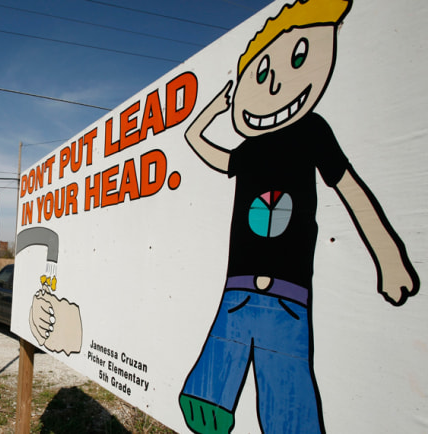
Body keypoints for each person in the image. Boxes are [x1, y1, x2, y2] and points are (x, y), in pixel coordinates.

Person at [178, 1, 419, 433]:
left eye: (298, 58)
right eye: (263, 74)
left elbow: (352, 191)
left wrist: (389, 257)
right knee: (225, 342)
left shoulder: (312, 131)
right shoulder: (248, 150)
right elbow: (195, 139)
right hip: (239, 285)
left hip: (290, 290)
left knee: (285, 375)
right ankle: (208, 393)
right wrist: (216, 108)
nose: (273, 87)